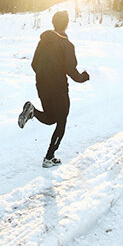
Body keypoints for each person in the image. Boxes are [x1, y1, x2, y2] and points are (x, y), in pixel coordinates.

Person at [18, 10, 89, 167]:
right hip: (58, 89)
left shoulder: (43, 41)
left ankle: (33, 111)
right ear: (67, 24)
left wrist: (45, 76)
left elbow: (34, 64)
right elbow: (71, 70)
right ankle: (49, 157)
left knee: (51, 118)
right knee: (61, 121)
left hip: (42, 86)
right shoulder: (67, 45)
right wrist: (84, 77)